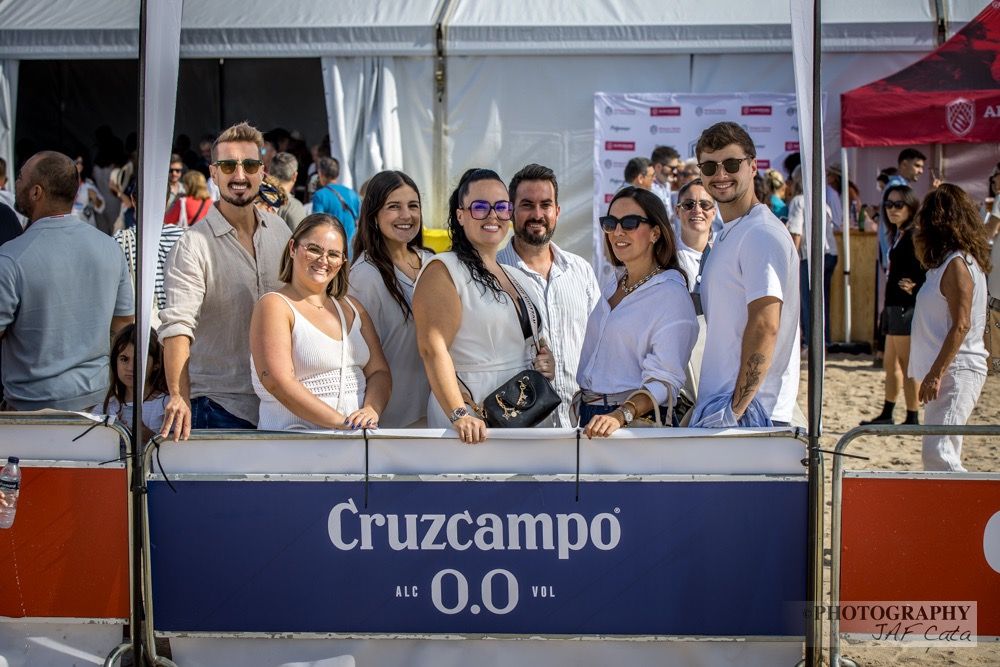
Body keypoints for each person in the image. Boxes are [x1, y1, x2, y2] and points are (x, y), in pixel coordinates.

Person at [158, 122, 292, 440]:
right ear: (214, 174)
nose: (240, 175)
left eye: (249, 165)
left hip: (279, 405)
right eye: (228, 166)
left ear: (263, 172)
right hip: (217, 408)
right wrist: (178, 396)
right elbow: (177, 328)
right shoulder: (193, 243)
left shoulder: (281, 231)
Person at [413, 168, 554, 444]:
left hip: (524, 411)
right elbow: (432, 349)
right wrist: (459, 414)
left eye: (501, 207)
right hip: (474, 419)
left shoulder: (512, 273)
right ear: (461, 215)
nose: (493, 215)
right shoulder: (444, 269)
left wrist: (543, 361)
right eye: (480, 207)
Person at [0, 151, 133, 410]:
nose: (16, 184)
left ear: (36, 192)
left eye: (20, 178)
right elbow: (124, 325)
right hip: (97, 403)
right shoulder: (109, 248)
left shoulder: (11, 257)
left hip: (31, 408)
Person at [689, 122, 799, 427]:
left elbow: (765, 325)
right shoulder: (733, 233)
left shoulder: (759, 233)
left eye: (732, 164)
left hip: (751, 413)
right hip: (729, 405)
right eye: (710, 166)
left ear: (753, 167)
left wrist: (735, 410)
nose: (721, 174)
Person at [250, 214, 390, 431]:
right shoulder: (274, 306)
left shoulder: (353, 308)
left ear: (343, 261)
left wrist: (371, 409)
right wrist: (342, 423)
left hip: (353, 447)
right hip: (295, 446)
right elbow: (277, 382)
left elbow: (379, 372)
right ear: (293, 248)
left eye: (333, 254)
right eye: (314, 249)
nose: (324, 260)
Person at [577, 187, 697, 437]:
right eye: (610, 223)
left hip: (633, 424)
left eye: (630, 223)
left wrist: (622, 415)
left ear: (655, 232)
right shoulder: (614, 282)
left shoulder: (671, 294)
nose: (618, 232)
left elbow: (666, 379)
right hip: (592, 416)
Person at [498, 163, 600, 427]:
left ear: (557, 210)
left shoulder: (581, 271)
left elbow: (601, 343)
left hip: (582, 424)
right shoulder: (493, 275)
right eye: (527, 205)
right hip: (524, 428)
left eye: (545, 205)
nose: (537, 214)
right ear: (510, 211)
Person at [908, 184, 991, 471]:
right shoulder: (947, 263)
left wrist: (935, 374)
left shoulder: (957, 263)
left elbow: (962, 324)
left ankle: (962, 514)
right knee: (938, 452)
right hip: (948, 370)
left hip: (957, 369)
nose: (920, 226)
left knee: (940, 454)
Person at [349, 171, 434, 428]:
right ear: (374, 216)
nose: (406, 215)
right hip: (393, 419)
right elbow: (360, 357)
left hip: (440, 411)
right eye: (394, 207)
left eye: (413, 206)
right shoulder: (365, 275)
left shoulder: (433, 263)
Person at [860, 185, 925, 425]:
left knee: (906, 365)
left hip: (905, 307)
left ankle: (912, 416)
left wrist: (916, 286)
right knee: (890, 364)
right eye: (888, 204)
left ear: (911, 207)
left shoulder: (914, 234)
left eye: (899, 205)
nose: (892, 210)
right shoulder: (899, 234)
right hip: (894, 305)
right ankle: (889, 413)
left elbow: (929, 268)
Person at [94, 325, 169, 438]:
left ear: (156, 364)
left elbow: (175, 451)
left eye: (138, 360)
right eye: (124, 359)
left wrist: (148, 436)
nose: (130, 367)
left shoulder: (166, 405)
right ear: (115, 362)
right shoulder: (105, 407)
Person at [311, 157, 361, 251]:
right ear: (337, 174)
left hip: (330, 248)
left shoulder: (320, 195)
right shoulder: (353, 194)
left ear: (320, 173)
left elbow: (317, 225)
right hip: (352, 248)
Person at [674, 178, 715, 293]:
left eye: (705, 205)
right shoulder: (665, 256)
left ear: (714, 212)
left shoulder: (725, 253)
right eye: (688, 204)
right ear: (677, 211)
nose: (697, 210)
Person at [269, 151, 307, 231]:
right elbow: (301, 239)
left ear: (270, 173)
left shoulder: (255, 200)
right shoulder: (294, 207)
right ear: (294, 176)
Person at [72, 155, 106, 228]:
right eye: (77, 162)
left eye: (82, 163)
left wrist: (95, 198)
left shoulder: (88, 184)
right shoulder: (63, 185)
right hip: (70, 227)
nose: (80, 165)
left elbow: (101, 207)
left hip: (87, 225)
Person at [650, 145, 681, 216]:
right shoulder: (648, 188)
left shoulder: (667, 184)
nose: (675, 172)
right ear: (658, 167)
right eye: (672, 168)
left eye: (676, 168)